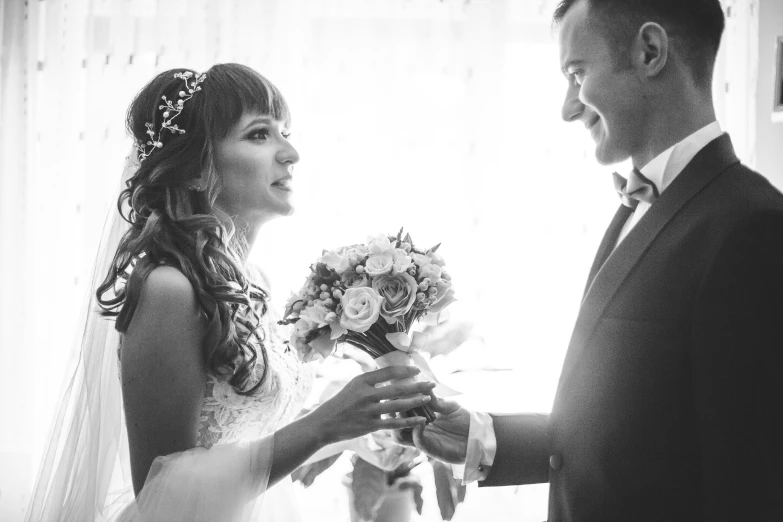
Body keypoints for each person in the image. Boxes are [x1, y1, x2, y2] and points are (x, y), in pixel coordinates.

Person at [404, 1, 783, 520]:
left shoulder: (752, 228)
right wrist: (486, 438)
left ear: (651, 52)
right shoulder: (640, 208)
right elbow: (646, 434)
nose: (568, 107)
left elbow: (750, 481)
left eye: (576, 73)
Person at [25, 63, 434, 522]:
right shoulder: (170, 289)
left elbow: (251, 437)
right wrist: (324, 425)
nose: (291, 153)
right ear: (198, 168)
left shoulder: (253, 282)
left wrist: (361, 431)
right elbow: (164, 496)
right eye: (260, 135)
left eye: (285, 132)